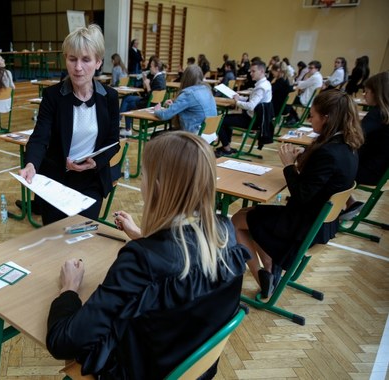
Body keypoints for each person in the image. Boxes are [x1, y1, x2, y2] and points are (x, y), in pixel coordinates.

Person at [45, 132, 250, 379]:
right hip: (192, 367)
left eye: (144, 175)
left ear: (157, 187)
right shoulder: (225, 231)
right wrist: (143, 236)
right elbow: (182, 265)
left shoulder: (140, 261)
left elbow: (62, 342)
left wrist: (68, 290)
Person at [232, 90, 363, 297]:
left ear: (326, 118)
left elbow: (302, 194)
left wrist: (289, 166)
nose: (310, 120)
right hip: (322, 223)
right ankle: (269, 267)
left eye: (313, 116)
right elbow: (321, 180)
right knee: (250, 212)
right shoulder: (348, 147)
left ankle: (262, 277)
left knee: (237, 220)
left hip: (303, 227)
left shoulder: (327, 152)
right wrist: (304, 159)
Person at [19, 25, 120, 225]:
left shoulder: (109, 97)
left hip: (92, 180)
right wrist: (31, 164)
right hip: (56, 181)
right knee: (55, 238)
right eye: (72, 59)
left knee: (82, 236)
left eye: (86, 59)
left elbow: (113, 141)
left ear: (98, 62)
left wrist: (96, 162)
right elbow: (40, 137)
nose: (78, 67)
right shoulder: (52, 96)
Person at [341, 72, 389, 220]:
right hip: (381, 171)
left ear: (377, 93)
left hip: (369, 170)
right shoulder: (384, 113)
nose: (364, 95)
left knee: (331, 167)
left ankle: (319, 207)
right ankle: (351, 202)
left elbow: (354, 134)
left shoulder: (377, 113)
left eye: (367, 91)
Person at [216, 60, 272, 156]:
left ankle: (226, 148)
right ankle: (227, 145)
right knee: (226, 118)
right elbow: (252, 99)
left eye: (253, 71)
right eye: (251, 71)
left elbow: (250, 106)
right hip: (254, 117)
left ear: (262, 71)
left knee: (220, 120)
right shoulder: (265, 84)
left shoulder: (261, 87)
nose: (250, 73)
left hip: (252, 120)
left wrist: (236, 102)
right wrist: (239, 97)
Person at [153, 65, 217, 135]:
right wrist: (175, 105)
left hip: (193, 135)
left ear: (185, 78)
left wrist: (157, 110)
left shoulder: (188, 94)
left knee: (155, 135)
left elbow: (164, 115)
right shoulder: (207, 90)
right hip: (209, 134)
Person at [119, 57, 166, 137]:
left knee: (128, 104)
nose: (150, 68)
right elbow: (149, 93)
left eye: (151, 66)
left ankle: (126, 128)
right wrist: (145, 81)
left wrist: (147, 85)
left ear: (156, 68)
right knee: (127, 98)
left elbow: (150, 96)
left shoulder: (158, 79)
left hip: (149, 104)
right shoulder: (160, 77)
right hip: (149, 101)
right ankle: (119, 121)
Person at [286, 60, 323, 125]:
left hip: (306, 100)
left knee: (287, 100)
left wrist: (296, 83)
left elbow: (302, 86)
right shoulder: (319, 76)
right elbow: (305, 84)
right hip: (310, 99)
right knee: (289, 99)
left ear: (317, 69)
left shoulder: (315, 77)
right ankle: (295, 117)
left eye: (311, 68)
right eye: (309, 67)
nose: (309, 70)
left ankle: (292, 118)